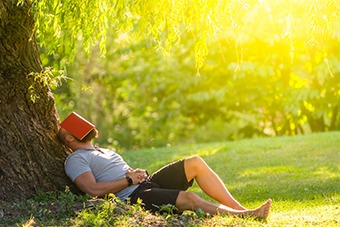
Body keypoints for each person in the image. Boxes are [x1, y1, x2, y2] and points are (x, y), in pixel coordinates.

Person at [58, 112, 272, 219]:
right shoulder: (76, 159)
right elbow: (92, 190)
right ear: (69, 140)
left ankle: (237, 207)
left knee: (195, 162)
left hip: (145, 183)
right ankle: (246, 216)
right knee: (189, 199)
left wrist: (136, 174)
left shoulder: (99, 150)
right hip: (134, 198)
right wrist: (128, 179)